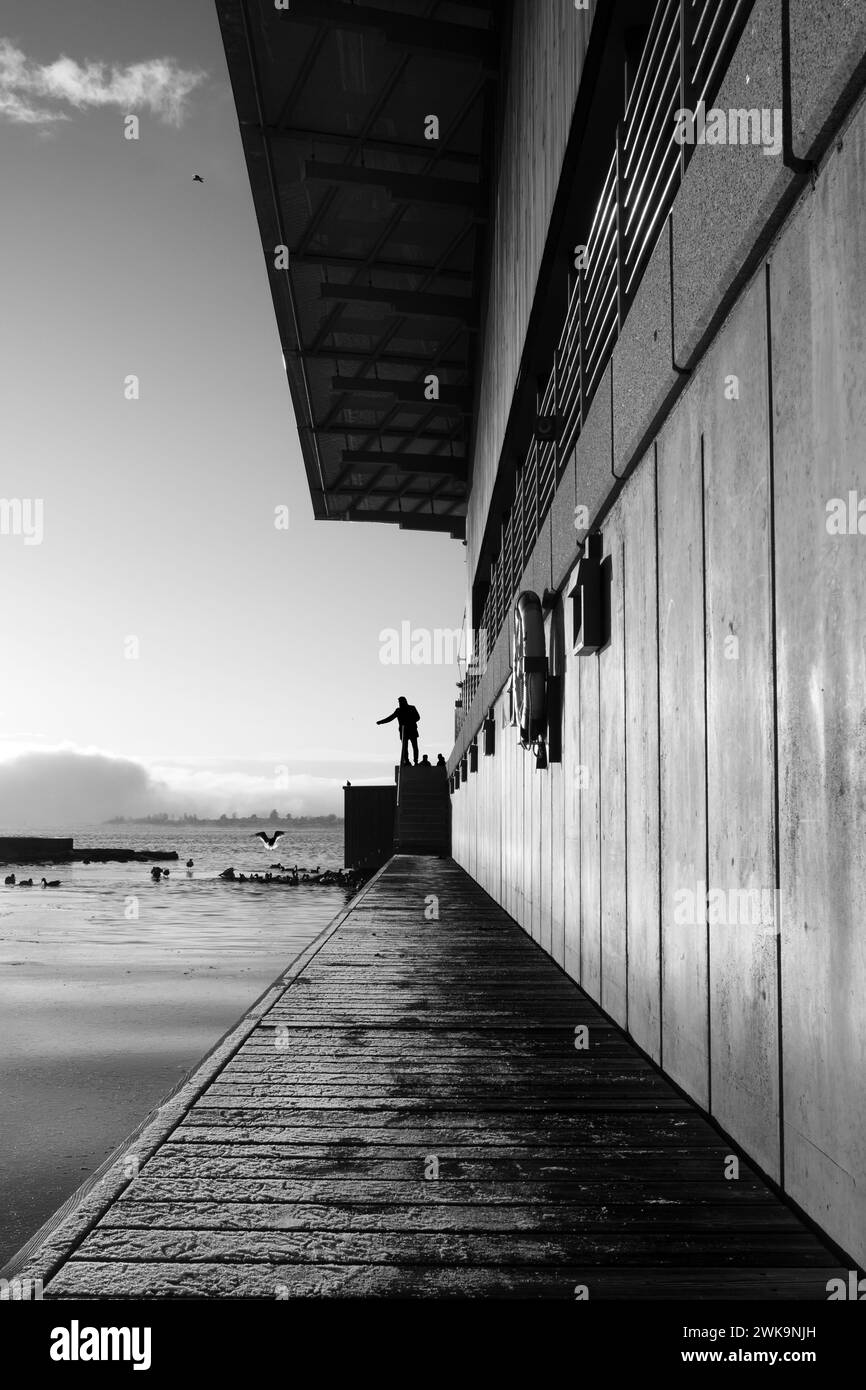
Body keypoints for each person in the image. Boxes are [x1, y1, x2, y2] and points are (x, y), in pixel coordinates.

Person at [377, 696, 421, 765]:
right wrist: (381, 722)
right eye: (399, 702)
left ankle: (416, 761)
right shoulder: (398, 710)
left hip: (412, 730)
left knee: (414, 747)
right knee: (404, 748)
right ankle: (407, 761)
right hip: (404, 732)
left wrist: (409, 721)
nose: (400, 703)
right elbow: (390, 718)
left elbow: (418, 717)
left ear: (405, 701)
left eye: (401, 701)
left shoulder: (412, 708)